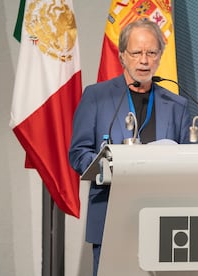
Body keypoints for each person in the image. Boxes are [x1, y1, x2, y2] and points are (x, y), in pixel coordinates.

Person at [68, 19, 191, 275]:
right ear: (123, 55)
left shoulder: (176, 104)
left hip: (165, 222)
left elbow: (191, 160)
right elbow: (78, 153)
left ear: (160, 56)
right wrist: (111, 167)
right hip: (111, 216)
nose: (144, 61)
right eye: (136, 53)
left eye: (151, 53)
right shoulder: (97, 97)